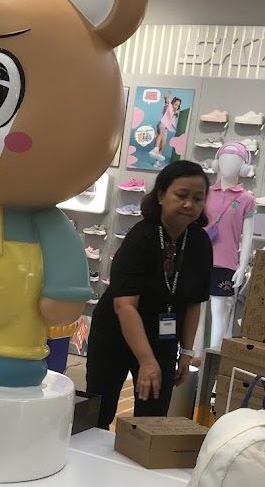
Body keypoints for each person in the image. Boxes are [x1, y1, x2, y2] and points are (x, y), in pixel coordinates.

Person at [86, 160, 212, 428]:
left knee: (152, 420)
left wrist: (187, 351)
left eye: (198, 198)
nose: (189, 204)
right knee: (98, 414)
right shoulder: (140, 239)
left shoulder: (199, 242)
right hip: (115, 336)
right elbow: (124, 306)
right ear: (161, 195)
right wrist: (146, 361)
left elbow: (194, 302)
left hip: (162, 338)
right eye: (181, 195)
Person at [150, 93, 182, 159]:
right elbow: (167, 102)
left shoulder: (174, 113)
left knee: (163, 143)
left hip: (166, 128)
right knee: (161, 134)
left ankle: (157, 160)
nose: (176, 106)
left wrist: (176, 114)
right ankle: (155, 149)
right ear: (172, 103)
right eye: (175, 104)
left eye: (178, 106)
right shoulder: (168, 107)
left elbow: (174, 119)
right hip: (162, 124)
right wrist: (166, 98)